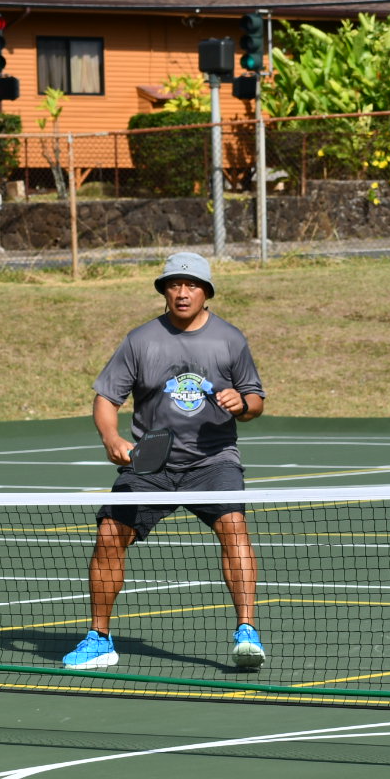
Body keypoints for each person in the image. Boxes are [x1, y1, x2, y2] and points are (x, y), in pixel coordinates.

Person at [63, 252, 267, 672]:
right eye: (174, 285)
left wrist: (243, 403)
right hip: (151, 464)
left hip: (213, 461)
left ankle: (247, 632)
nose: (182, 292)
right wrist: (111, 438)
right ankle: (98, 639)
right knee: (109, 535)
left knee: (234, 528)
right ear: (164, 291)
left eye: (191, 285)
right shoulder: (141, 340)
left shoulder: (230, 339)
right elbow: (106, 398)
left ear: (206, 292)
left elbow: (255, 400)